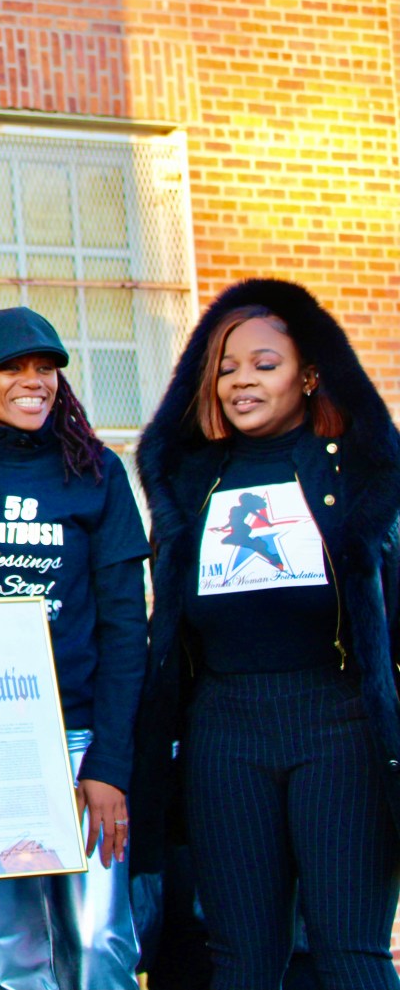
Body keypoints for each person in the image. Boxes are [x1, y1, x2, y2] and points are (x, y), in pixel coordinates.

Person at [135, 278, 400, 989]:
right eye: (225, 367)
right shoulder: (191, 480)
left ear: (310, 374)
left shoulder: (355, 470)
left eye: (264, 363)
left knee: (351, 953)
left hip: (338, 724)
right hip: (224, 731)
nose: (241, 381)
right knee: (241, 960)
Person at [0, 306, 149, 990]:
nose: (33, 381)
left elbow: (126, 627)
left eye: (45, 368)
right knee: (13, 953)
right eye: (12, 368)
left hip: (78, 736)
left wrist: (110, 764)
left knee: (99, 940)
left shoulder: (95, 471)